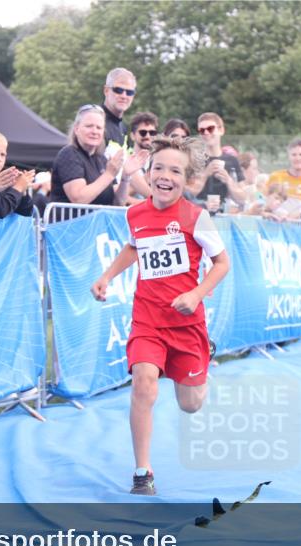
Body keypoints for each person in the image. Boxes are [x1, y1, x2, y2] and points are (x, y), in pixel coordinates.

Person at [91, 136, 230, 496]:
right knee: (143, 382)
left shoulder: (196, 218)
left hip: (186, 323)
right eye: (159, 168)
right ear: (149, 173)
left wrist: (197, 293)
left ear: (187, 179)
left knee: (190, 404)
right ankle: (143, 472)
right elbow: (134, 247)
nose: (166, 176)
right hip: (148, 319)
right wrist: (107, 276)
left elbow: (222, 263)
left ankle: (204, 358)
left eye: (175, 170)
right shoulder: (135, 213)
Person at [50, 104, 147, 207]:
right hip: (71, 222)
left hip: (99, 222)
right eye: (89, 126)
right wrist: (109, 174)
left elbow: (119, 202)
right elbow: (78, 199)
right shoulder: (69, 154)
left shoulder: (102, 159)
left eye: (99, 128)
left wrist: (126, 176)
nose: (94, 131)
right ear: (76, 129)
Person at [190, 112, 245, 213]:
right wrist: (205, 174)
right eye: (202, 130)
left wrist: (228, 180)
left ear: (221, 130)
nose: (206, 133)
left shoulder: (232, 160)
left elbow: (242, 199)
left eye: (210, 128)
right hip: (197, 216)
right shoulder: (194, 159)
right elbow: (187, 194)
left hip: (222, 217)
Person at [266, 139, 301, 220]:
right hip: (275, 225)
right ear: (289, 157)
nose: (297, 158)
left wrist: (295, 217)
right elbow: (264, 203)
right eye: (294, 155)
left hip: (298, 227)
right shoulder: (275, 177)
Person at [125, 111, 158, 202]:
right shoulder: (124, 159)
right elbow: (120, 196)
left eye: (152, 133)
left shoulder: (158, 161)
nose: (148, 136)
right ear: (132, 136)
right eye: (143, 132)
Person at [101, 68, 137, 151]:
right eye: (118, 90)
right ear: (106, 90)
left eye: (129, 92)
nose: (124, 96)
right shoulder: (95, 122)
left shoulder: (123, 127)